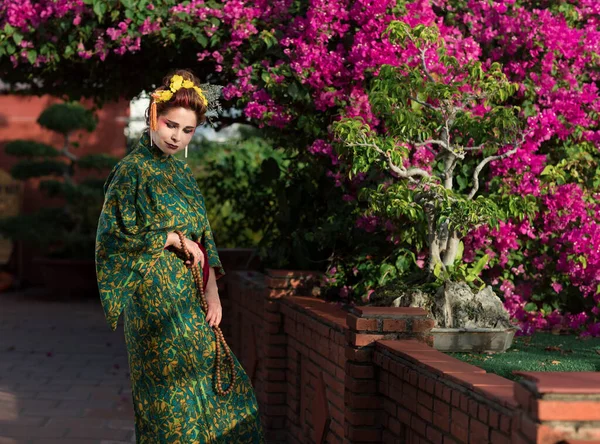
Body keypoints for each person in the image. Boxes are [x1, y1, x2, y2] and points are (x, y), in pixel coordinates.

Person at [95, 69, 265, 443]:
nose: (177, 136)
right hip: (153, 307)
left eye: (187, 130)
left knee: (231, 396)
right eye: (171, 125)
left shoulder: (183, 175)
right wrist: (170, 237)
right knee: (170, 407)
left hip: (189, 299)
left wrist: (212, 291)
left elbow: (203, 236)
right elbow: (112, 239)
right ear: (153, 117)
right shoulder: (130, 172)